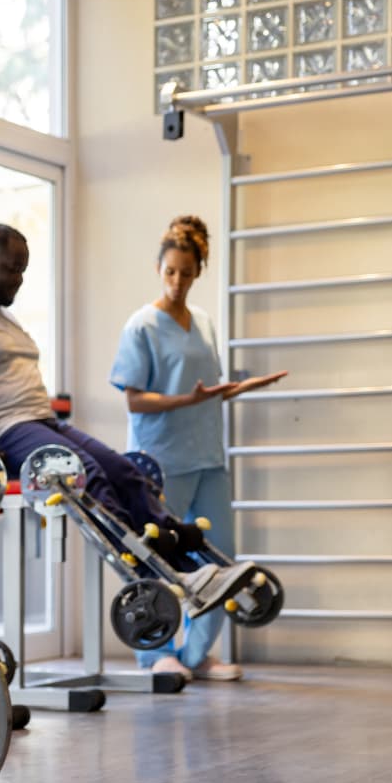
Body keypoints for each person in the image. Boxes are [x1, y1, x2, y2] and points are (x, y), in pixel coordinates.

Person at [0, 223, 256, 620]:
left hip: (41, 422)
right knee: (87, 475)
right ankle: (160, 574)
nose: (18, 279)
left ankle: (188, 562)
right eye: (10, 268)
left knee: (126, 472)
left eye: (23, 270)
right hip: (4, 430)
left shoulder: (3, 319)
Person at [110, 215, 287, 682]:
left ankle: (196, 655)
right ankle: (156, 654)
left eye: (186, 273)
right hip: (161, 459)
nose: (177, 281)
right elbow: (134, 398)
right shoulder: (141, 325)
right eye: (170, 271)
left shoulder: (204, 323)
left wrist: (243, 388)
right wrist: (186, 400)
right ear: (158, 268)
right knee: (158, 558)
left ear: (198, 273)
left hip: (207, 455)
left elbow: (206, 392)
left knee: (222, 557)